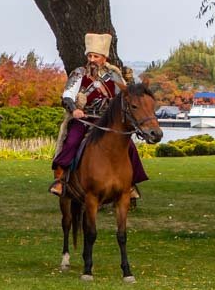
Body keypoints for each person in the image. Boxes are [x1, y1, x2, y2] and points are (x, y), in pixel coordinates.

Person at [48, 32, 149, 197]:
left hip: (107, 120)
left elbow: (125, 96)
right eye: (90, 56)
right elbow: (67, 96)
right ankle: (60, 179)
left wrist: (129, 84)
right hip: (85, 118)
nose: (92, 59)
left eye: (96, 56)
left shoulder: (114, 75)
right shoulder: (79, 73)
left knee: (128, 145)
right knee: (72, 140)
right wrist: (75, 110)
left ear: (104, 58)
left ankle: (130, 183)